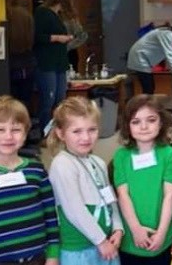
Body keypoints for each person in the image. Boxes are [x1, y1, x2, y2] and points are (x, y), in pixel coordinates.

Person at [0, 96, 61, 265]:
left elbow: (50, 214)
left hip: (38, 257)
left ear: (25, 134)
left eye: (16, 130)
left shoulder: (37, 170)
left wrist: (53, 254)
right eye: (0, 130)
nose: (8, 136)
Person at [48, 97, 124, 265]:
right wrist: (101, 241)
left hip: (105, 245)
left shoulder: (99, 163)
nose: (86, 137)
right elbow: (74, 210)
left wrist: (118, 228)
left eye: (92, 130)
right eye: (77, 131)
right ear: (61, 134)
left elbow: (110, 200)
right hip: (79, 249)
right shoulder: (62, 164)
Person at [113, 95, 172, 265]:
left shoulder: (169, 154)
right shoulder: (121, 156)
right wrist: (135, 229)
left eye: (151, 120)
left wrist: (162, 232)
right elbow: (123, 195)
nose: (143, 127)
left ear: (161, 123)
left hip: (160, 235)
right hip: (131, 236)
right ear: (127, 126)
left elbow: (170, 195)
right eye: (136, 122)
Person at [34, 0, 75, 129]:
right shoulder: (42, 13)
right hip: (46, 63)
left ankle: (58, 130)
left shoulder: (57, 16)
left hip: (59, 63)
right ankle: (43, 132)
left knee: (60, 100)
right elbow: (37, 37)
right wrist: (58, 38)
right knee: (48, 100)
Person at [127, 16, 172, 94]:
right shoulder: (168, 34)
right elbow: (170, 55)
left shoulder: (168, 33)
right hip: (140, 57)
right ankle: (145, 105)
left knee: (149, 88)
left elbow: (168, 55)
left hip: (141, 58)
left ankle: (146, 103)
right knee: (148, 88)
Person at [7, 0, 36, 115]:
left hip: (11, 63)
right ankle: (25, 128)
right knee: (25, 100)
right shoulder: (26, 15)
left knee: (10, 102)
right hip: (27, 62)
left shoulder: (7, 16)